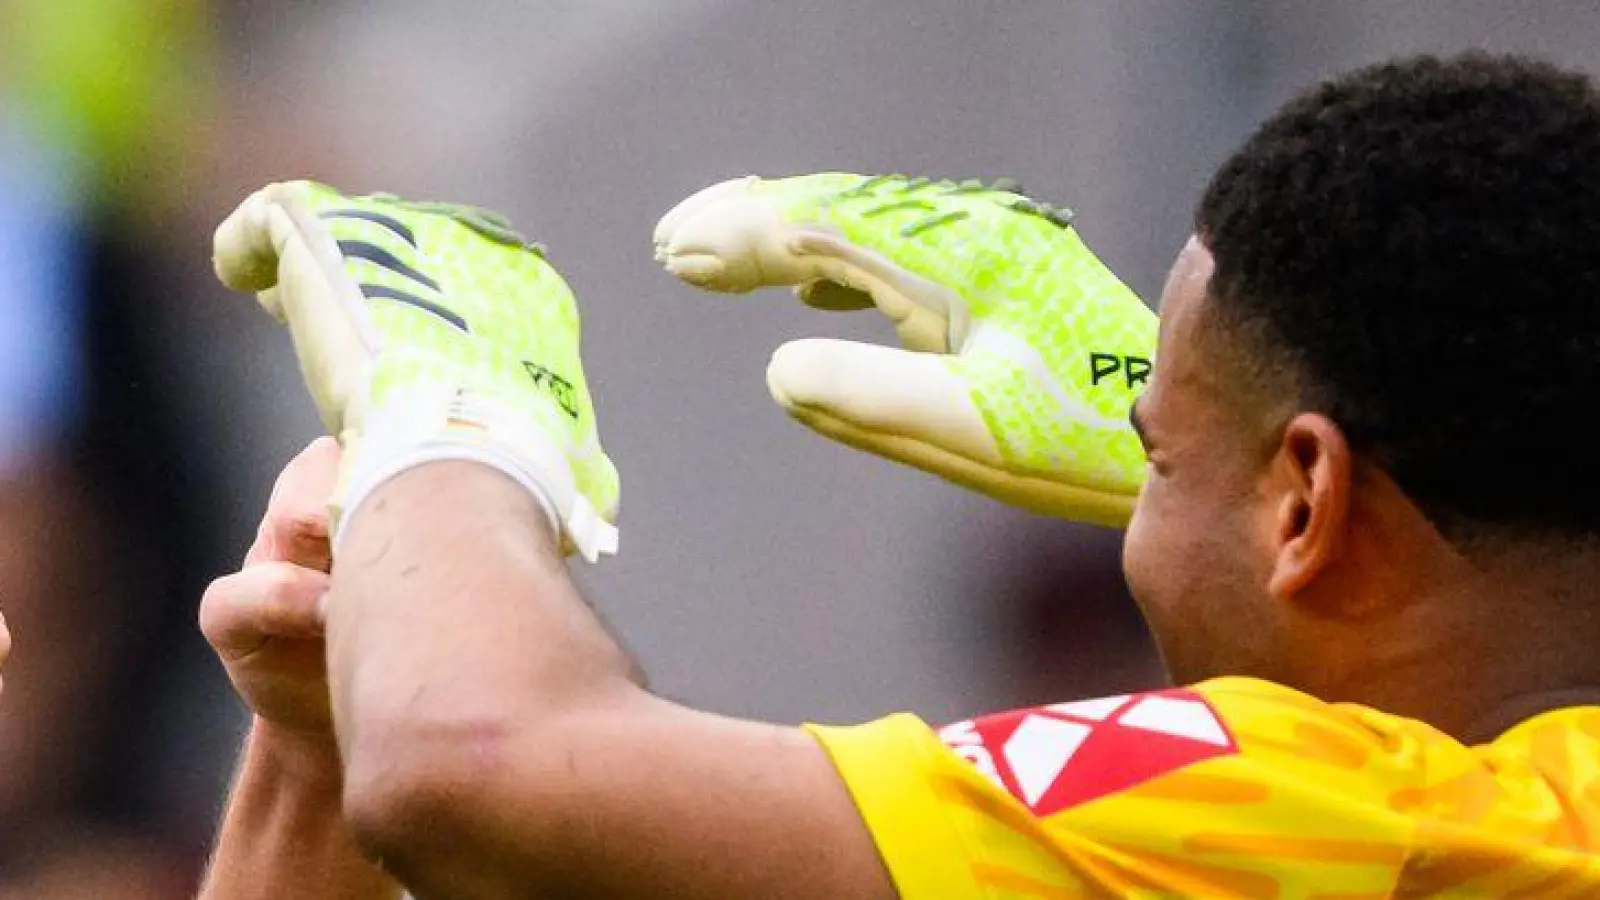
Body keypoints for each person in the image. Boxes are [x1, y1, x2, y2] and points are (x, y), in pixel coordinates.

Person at [198, 52, 1600, 898]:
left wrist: (453, 416)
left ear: (1306, 499)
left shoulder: (1338, 818)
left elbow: (476, 765)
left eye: (1152, 454)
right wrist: (328, 734)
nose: (1135, 491)